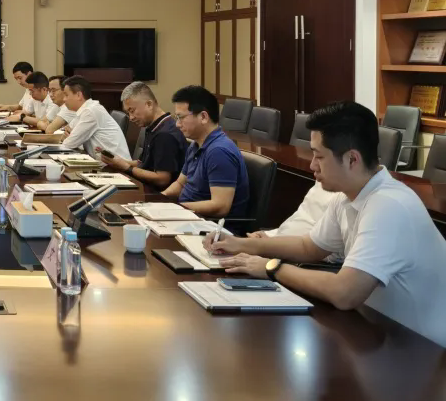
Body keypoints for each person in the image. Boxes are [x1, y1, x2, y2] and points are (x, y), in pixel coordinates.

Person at [205, 101, 446, 347]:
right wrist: (239, 244)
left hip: (422, 350)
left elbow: (345, 293)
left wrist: (271, 268)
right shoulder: (349, 195)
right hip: (378, 333)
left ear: (352, 159)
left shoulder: (388, 206)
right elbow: (309, 247)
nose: (312, 165)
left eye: (319, 156)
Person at [161, 85, 249, 217]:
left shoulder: (219, 152)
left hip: (208, 224)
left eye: (181, 117)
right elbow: (180, 184)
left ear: (203, 117)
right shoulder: (196, 145)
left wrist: (176, 209)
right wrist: (157, 200)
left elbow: (221, 206)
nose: (177, 124)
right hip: (188, 215)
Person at [101, 82, 187, 191]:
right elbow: (143, 163)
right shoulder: (153, 127)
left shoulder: (165, 134)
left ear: (149, 104)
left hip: (158, 195)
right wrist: (117, 161)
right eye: (128, 113)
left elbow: (162, 179)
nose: (131, 118)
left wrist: (126, 167)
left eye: (132, 111)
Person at [60, 76, 130, 160]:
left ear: (78, 95)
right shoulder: (86, 109)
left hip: (117, 166)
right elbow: (65, 133)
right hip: (104, 162)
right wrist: (71, 138)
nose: (64, 99)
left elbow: (69, 143)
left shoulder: (91, 111)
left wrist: (71, 138)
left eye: (66, 95)